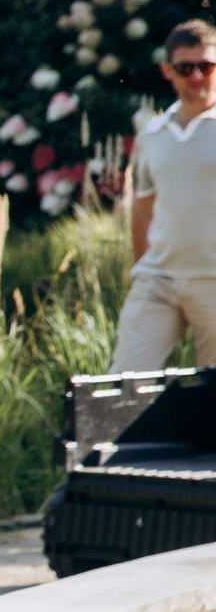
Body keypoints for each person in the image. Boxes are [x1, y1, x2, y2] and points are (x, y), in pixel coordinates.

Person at [113, 19, 216, 373]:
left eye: (207, 66)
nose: (196, 75)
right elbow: (143, 209)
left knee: (212, 394)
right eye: (185, 68)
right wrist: (140, 269)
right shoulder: (152, 134)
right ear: (167, 70)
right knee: (124, 384)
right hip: (158, 281)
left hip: (213, 280)